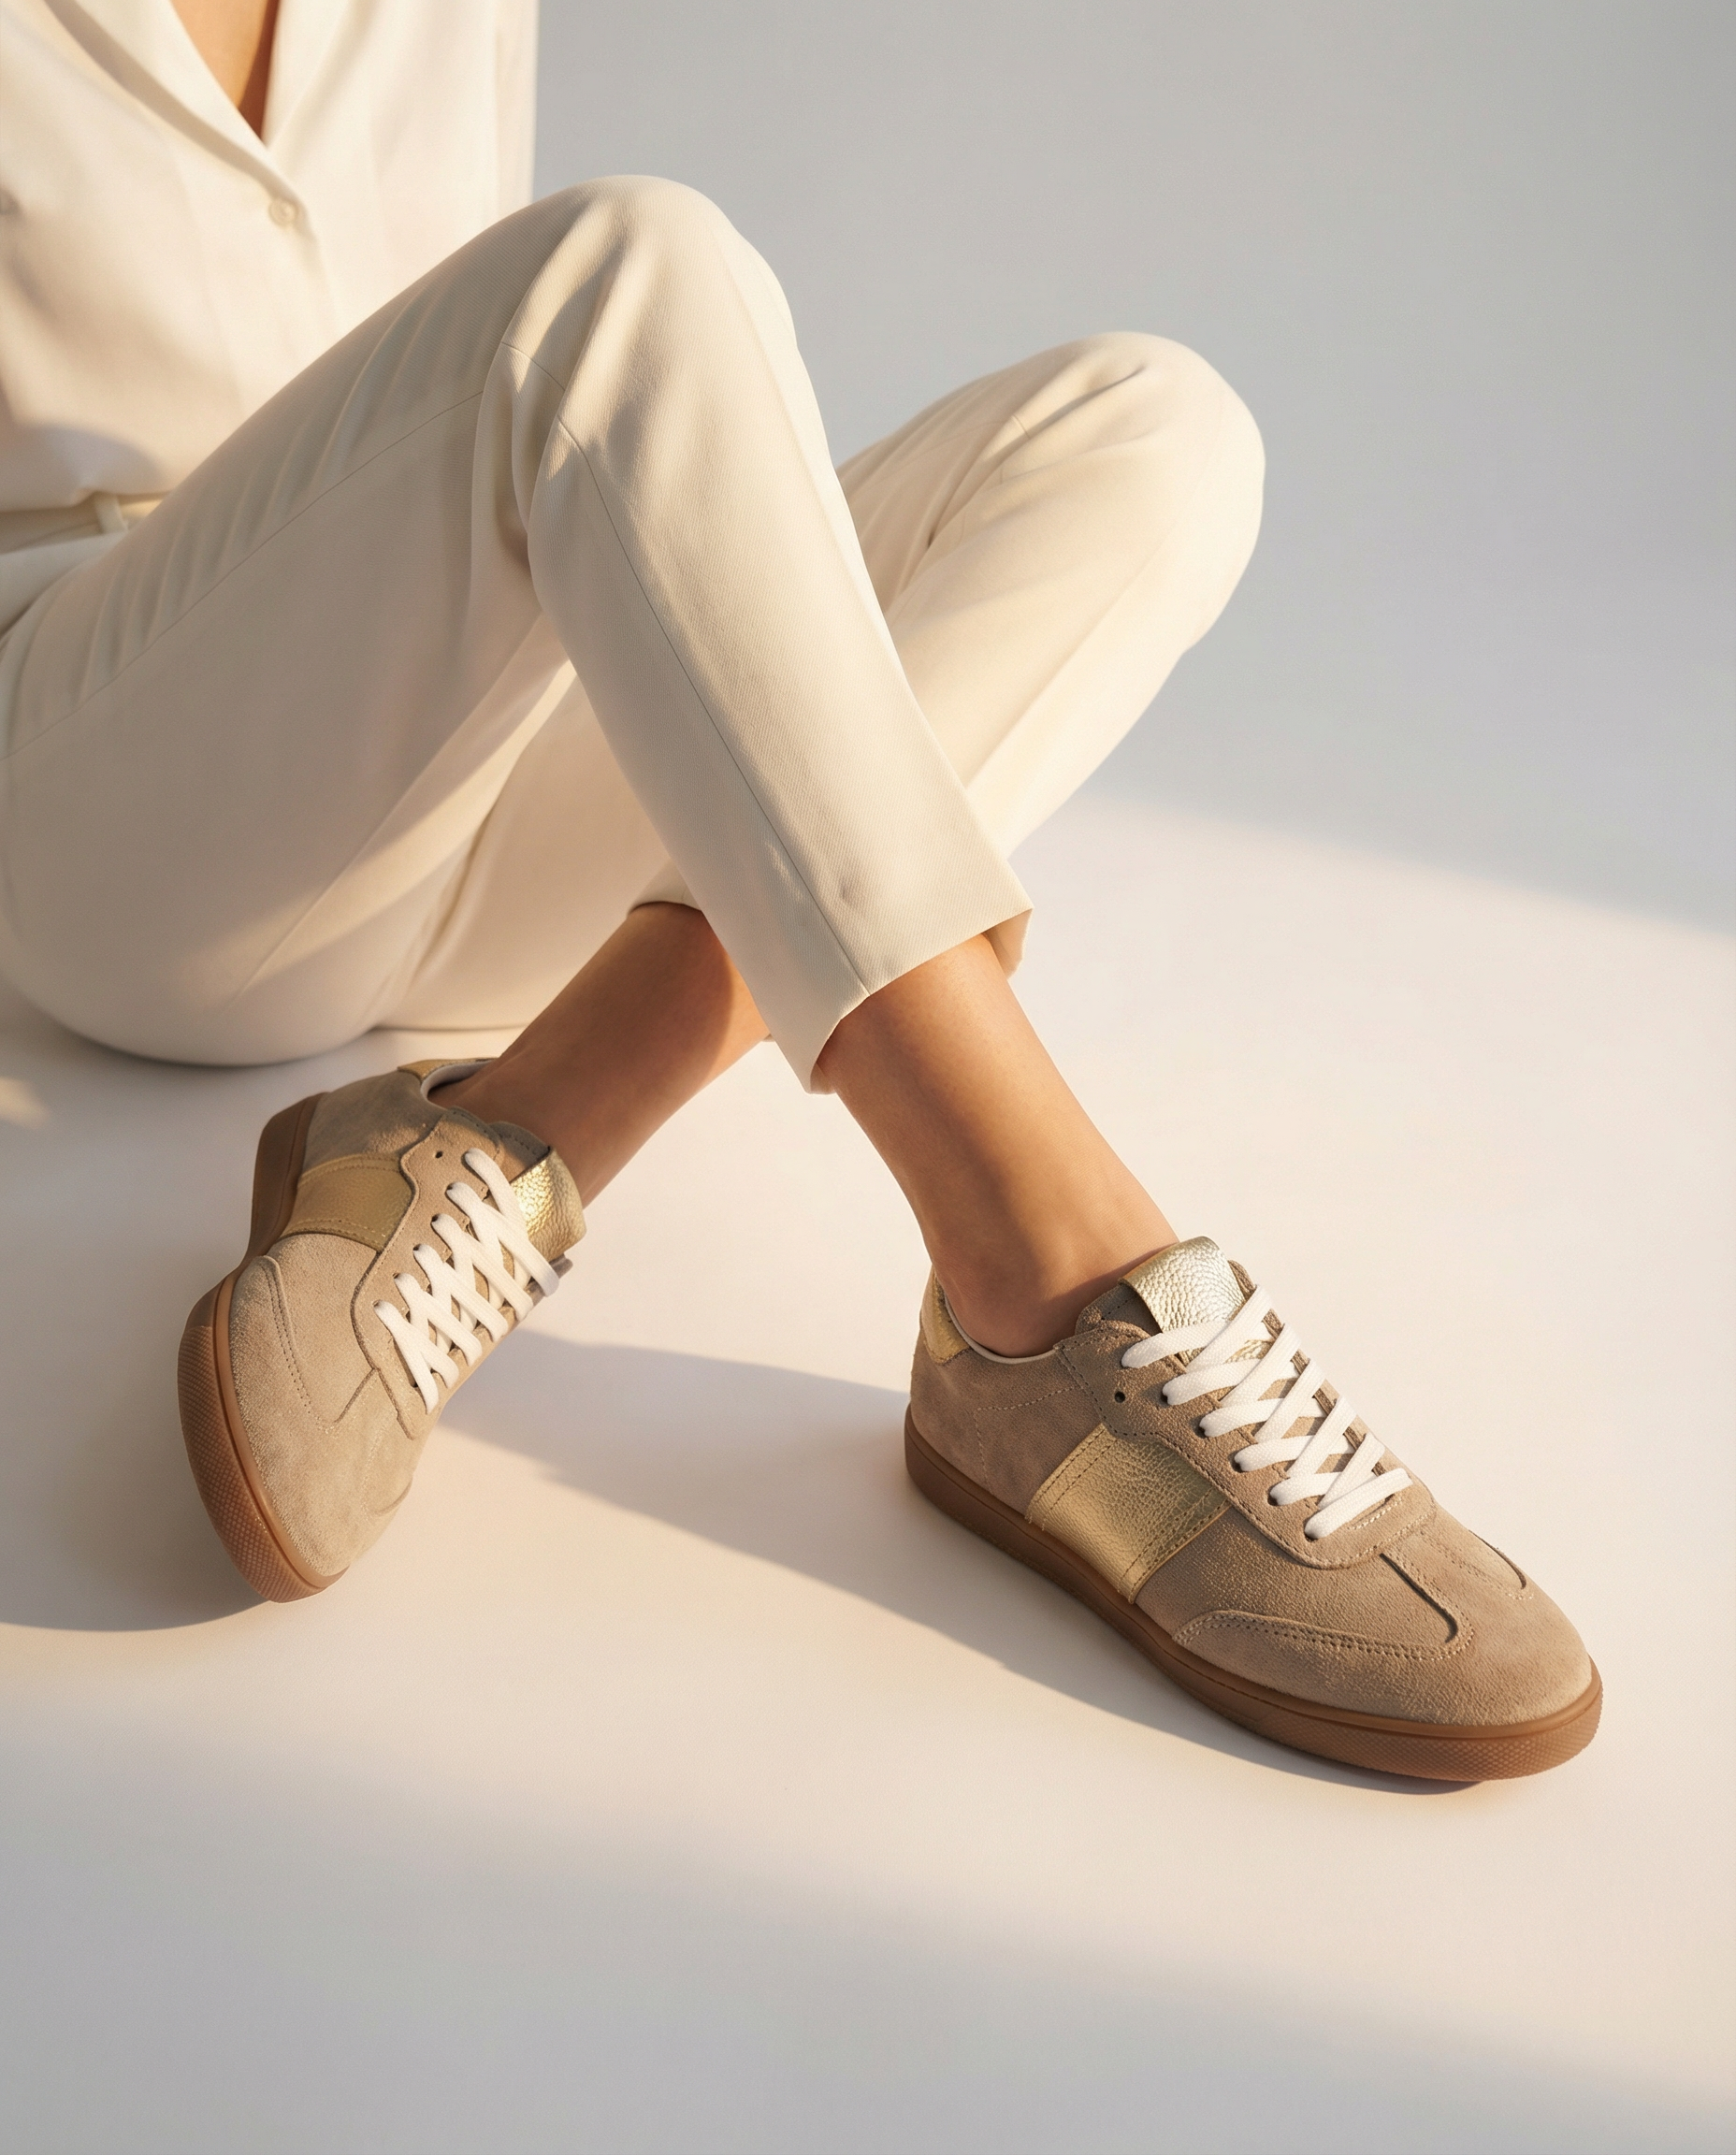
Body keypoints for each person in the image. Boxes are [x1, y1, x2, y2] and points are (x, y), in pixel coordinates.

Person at [0, 0, 1598, 1780]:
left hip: (480, 732)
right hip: (115, 808)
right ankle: (1049, 1280)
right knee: (627, 265)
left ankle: (515, 1131)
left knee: (1153, 433)